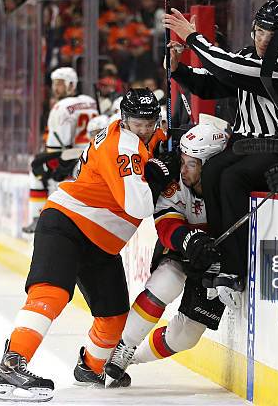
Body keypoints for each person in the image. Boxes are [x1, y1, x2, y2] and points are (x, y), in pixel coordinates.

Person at [0, 88, 174, 402]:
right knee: (51, 292)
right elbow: (139, 205)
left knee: (115, 317)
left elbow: (158, 139)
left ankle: (90, 367)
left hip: (101, 243)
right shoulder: (123, 146)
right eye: (137, 122)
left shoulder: (144, 135)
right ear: (124, 119)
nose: (144, 128)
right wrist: (158, 178)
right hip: (67, 223)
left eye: (149, 122)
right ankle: (12, 363)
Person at [164, 0, 278, 309]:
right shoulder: (246, 58)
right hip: (248, 142)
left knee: (233, 177)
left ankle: (235, 268)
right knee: (213, 170)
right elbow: (211, 85)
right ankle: (219, 255)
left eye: (270, 34)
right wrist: (179, 71)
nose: (261, 39)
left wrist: (193, 38)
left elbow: (227, 68)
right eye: (258, 31)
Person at [104, 123, 227, 381]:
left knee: (185, 337)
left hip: (217, 260)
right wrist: (190, 240)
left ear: (210, 163)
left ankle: (134, 359)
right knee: (166, 282)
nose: (182, 170)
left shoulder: (231, 185)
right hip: (182, 250)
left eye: (191, 164)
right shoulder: (175, 185)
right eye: (182, 161)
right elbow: (166, 224)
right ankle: (125, 346)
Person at [23, 67, 99, 233]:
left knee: (36, 170)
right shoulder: (90, 101)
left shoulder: (61, 107)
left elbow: (56, 147)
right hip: (93, 154)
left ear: (71, 85)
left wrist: (46, 163)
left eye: (59, 84)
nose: (55, 88)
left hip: (71, 157)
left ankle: (37, 218)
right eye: (54, 84)